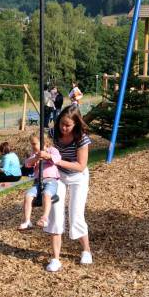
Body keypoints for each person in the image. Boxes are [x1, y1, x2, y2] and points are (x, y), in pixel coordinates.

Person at [41, 104, 92, 272]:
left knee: (76, 214)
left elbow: (80, 166)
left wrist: (56, 160)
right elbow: (44, 148)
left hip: (78, 177)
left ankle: (86, 250)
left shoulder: (82, 139)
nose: (64, 128)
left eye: (68, 125)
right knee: (55, 213)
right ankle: (55, 258)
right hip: (58, 176)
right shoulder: (53, 133)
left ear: (76, 124)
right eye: (62, 123)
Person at [19, 135, 61, 230]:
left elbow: (58, 158)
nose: (32, 146)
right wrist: (36, 159)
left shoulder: (52, 150)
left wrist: (47, 155)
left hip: (50, 180)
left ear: (44, 143)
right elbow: (27, 163)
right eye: (31, 144)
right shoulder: (35, 154)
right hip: (38, 182)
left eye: (34, 144)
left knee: (46, 194)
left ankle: (45, 218)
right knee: (28, 195)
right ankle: (27, 221)